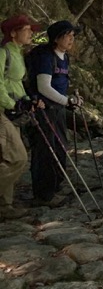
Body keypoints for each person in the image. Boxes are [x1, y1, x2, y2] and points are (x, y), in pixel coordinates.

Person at [29, 20, 83, 206]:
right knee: (46, 151)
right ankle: (44, 194)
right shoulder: (46, 56)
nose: (71, 39)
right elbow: (44, 87)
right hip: (44, 110)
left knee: (60, 148)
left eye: (73, 36)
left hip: (58, 109)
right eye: (68, 35)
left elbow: (60, 85)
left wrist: (71, 101)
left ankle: (55, 186)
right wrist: (66, 101)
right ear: (56, 38)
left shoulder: (64, 56)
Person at [0, 14, 42, 218]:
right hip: (3, 111)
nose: (31, 32)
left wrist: (27, 99)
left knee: (8, 158)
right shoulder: (3, 53)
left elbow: (14, 83)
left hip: (12, 111)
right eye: (26, 29)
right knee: (18, 158)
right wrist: (12, 103)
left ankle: (5, 206)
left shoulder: (17, 52)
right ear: (13, 33)